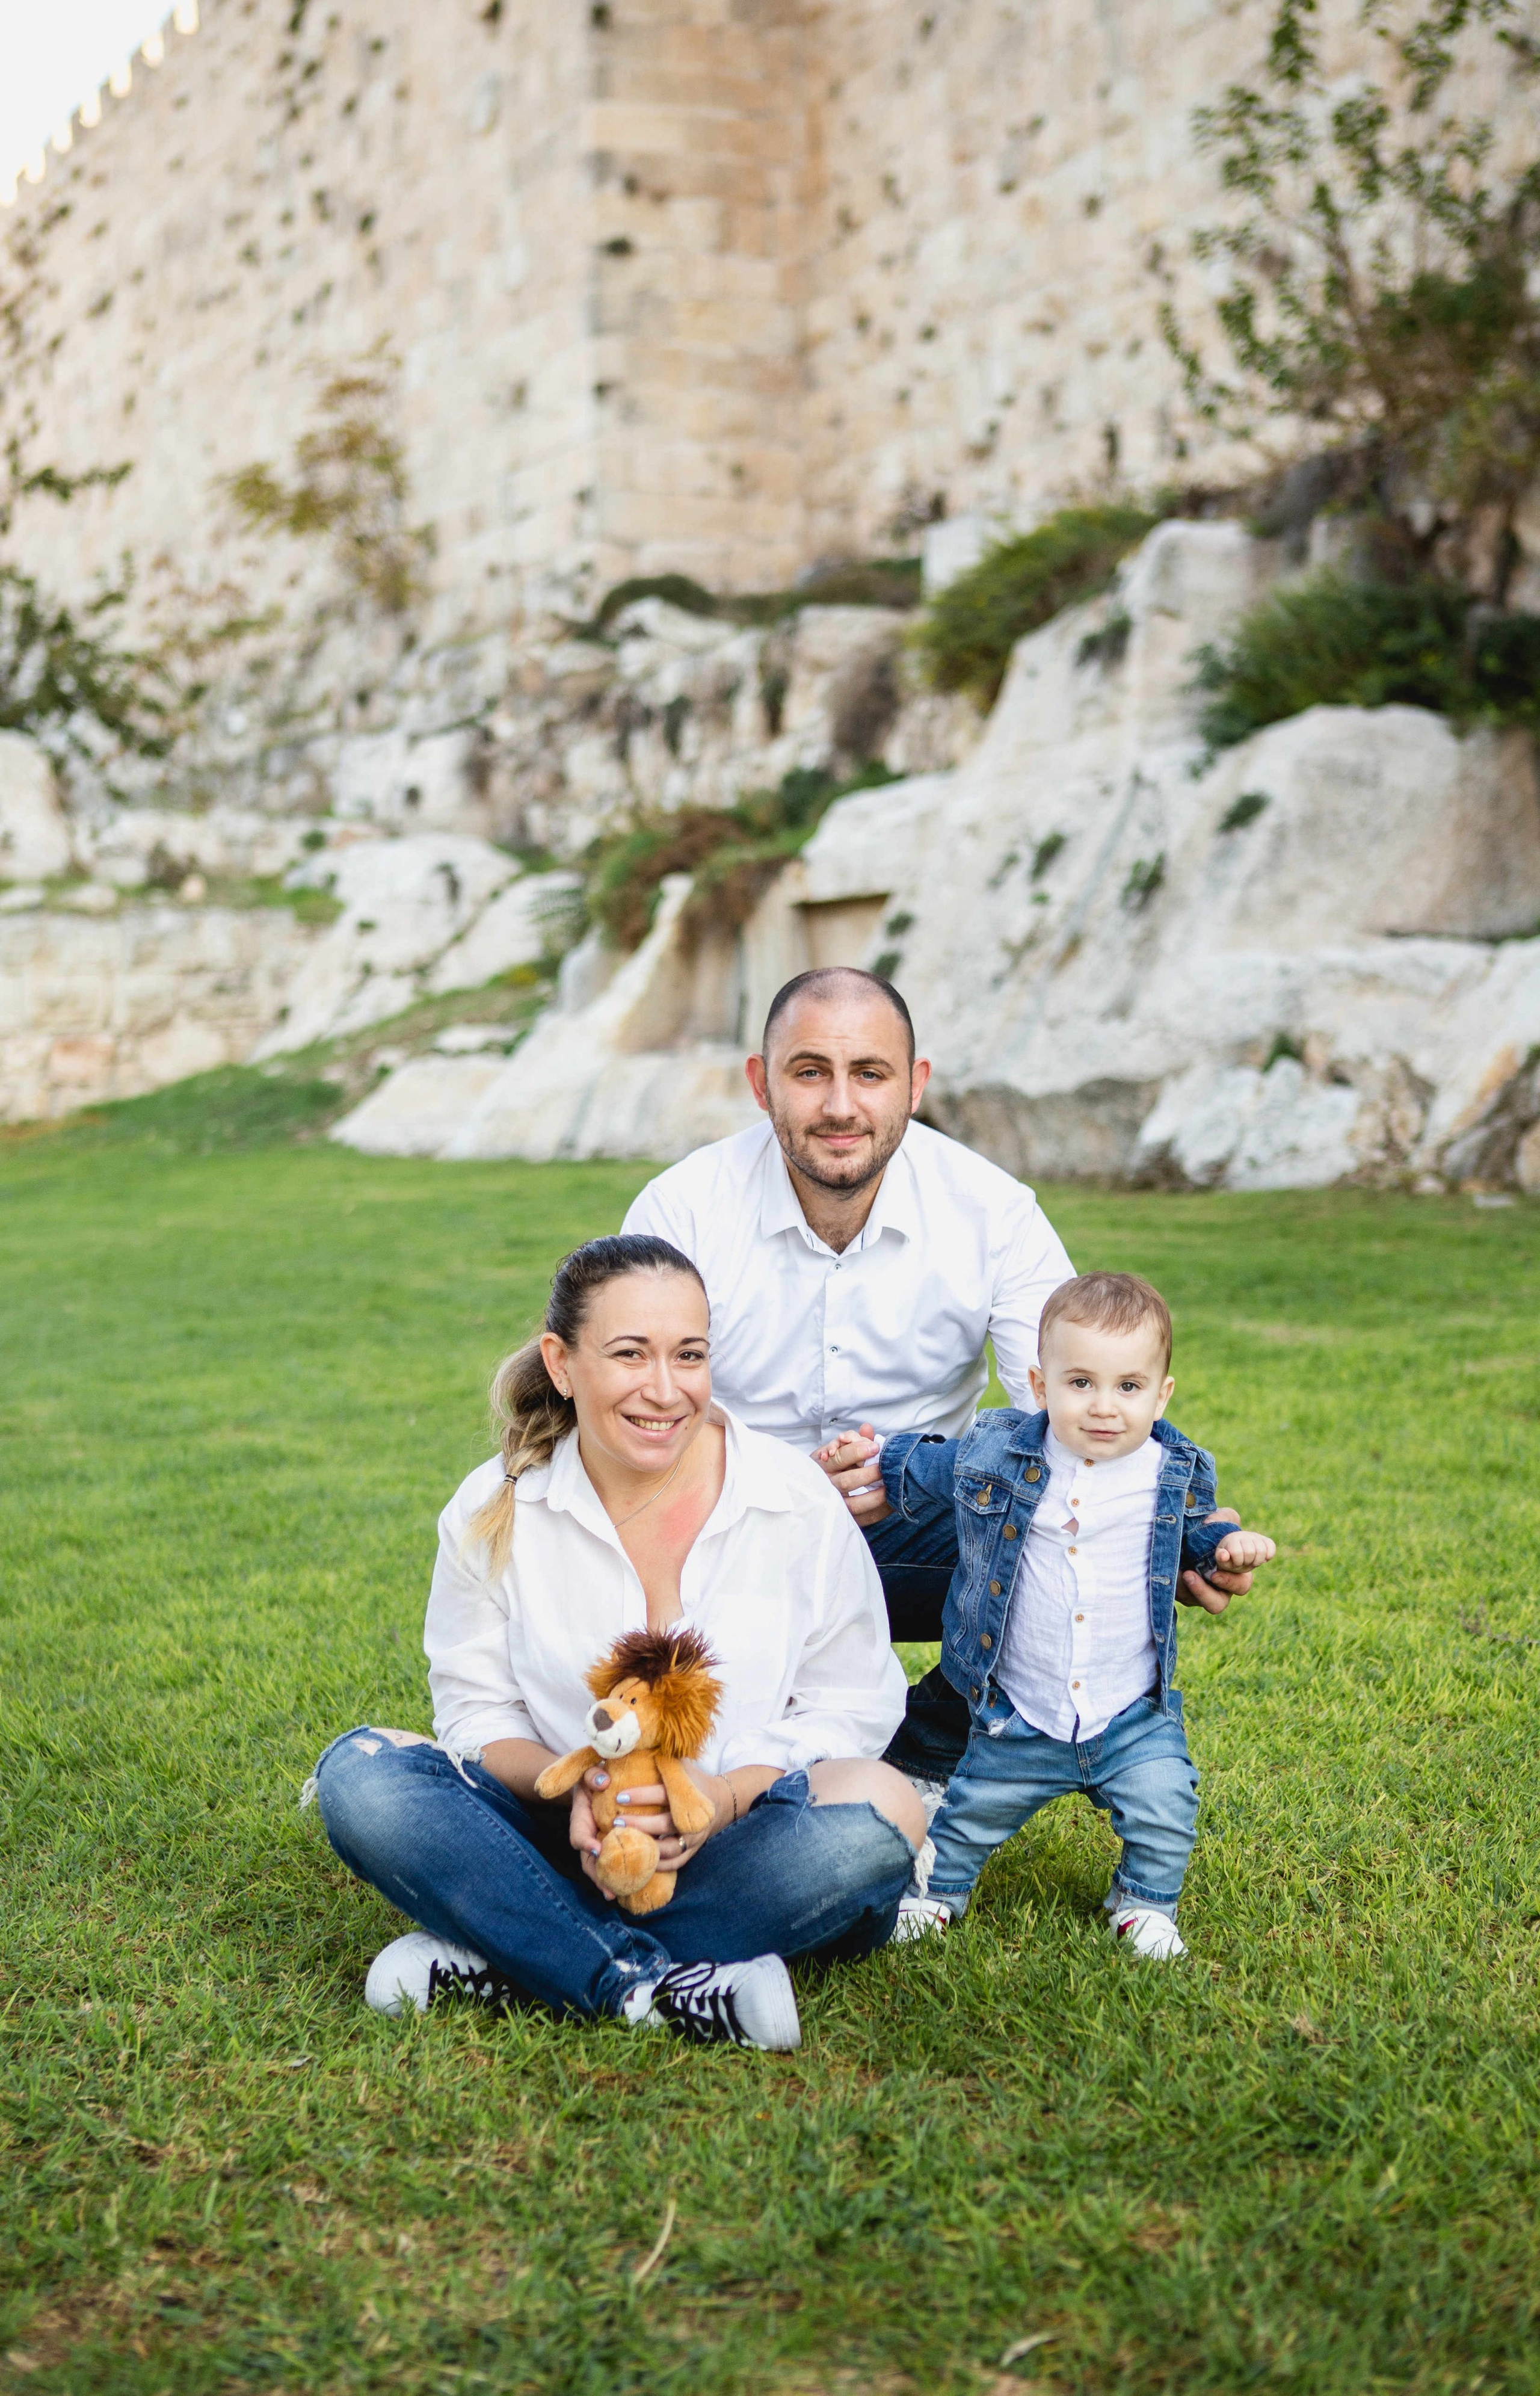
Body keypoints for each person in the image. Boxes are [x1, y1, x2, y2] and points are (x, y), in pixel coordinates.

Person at [623, 966, 1255, 1785]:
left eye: (871, 1073)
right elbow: (623, 1401)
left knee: (1066, 1516)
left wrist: (1168, 1522)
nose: (842, 1106)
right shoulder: (684, 1210)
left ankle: (920, 1759)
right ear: (760, 1083)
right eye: (810, 1071)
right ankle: (704, 1747)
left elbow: (1074, 1399)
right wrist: (758, 1480)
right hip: (713, 1533)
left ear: (915, 1085)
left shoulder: (993, 1212)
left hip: (908, 1531)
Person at [310, 1234, 920, 2054]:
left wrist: (724, 1796)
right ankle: (646, 1986)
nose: (665, 1390)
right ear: (563, 1362)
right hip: (558, 1837)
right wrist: (579, 1795)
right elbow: (475, 1712)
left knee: (887, 1810)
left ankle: (514, 1953)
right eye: (630, 1354)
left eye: (690, 1355)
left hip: (738, 1842)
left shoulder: (792, 1498)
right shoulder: (496, 1506)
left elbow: (853, 1697)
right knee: (361, 1774)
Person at [821, 1273, 1275, 1958]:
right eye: (1080, 1383)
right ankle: (939, 1891)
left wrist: (1224, 1546)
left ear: (1161, 1394)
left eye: (1128, 1386)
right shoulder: (1002, 1456)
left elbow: (1194, 1533)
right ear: (1040, 1386)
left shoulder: (1171, 1472)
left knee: (1167, 1806)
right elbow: (936, 1467)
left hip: (1127, 1713)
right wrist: (880, 1459)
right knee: (969, 1814)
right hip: (1020, 1712)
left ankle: (1144, 1902)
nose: (1103, 1406)